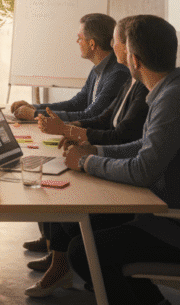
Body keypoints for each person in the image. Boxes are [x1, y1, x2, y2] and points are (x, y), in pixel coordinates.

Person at [63, 15, 180, 305]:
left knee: (82, 251)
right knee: (83, 226)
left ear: (135, 60)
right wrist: (97, 152)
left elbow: (142, 171)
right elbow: (145, 146)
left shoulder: (172, 100)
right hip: (179, 218)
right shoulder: (173, 89)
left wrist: (86, 163)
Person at [22, 16, 151, 283]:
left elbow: (121, 135)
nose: (112, 46)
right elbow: (101, 116)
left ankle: (61, 261)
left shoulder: (124, 77)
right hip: (110, 154)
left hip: (124, 173)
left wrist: (72, 134)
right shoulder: (128, 79)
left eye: (116, 42)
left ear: (129, 50)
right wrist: (68, 128)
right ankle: (57, 255)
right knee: (57, 175)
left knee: (62, 191)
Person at [11, 13, 129, 122]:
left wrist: (36, 114)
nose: (77, 41)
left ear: (92, 43)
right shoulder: (98, 69)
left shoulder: (118, 74)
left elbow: (91, 115)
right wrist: (35, 108)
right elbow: (75, 104)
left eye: (80, 38)